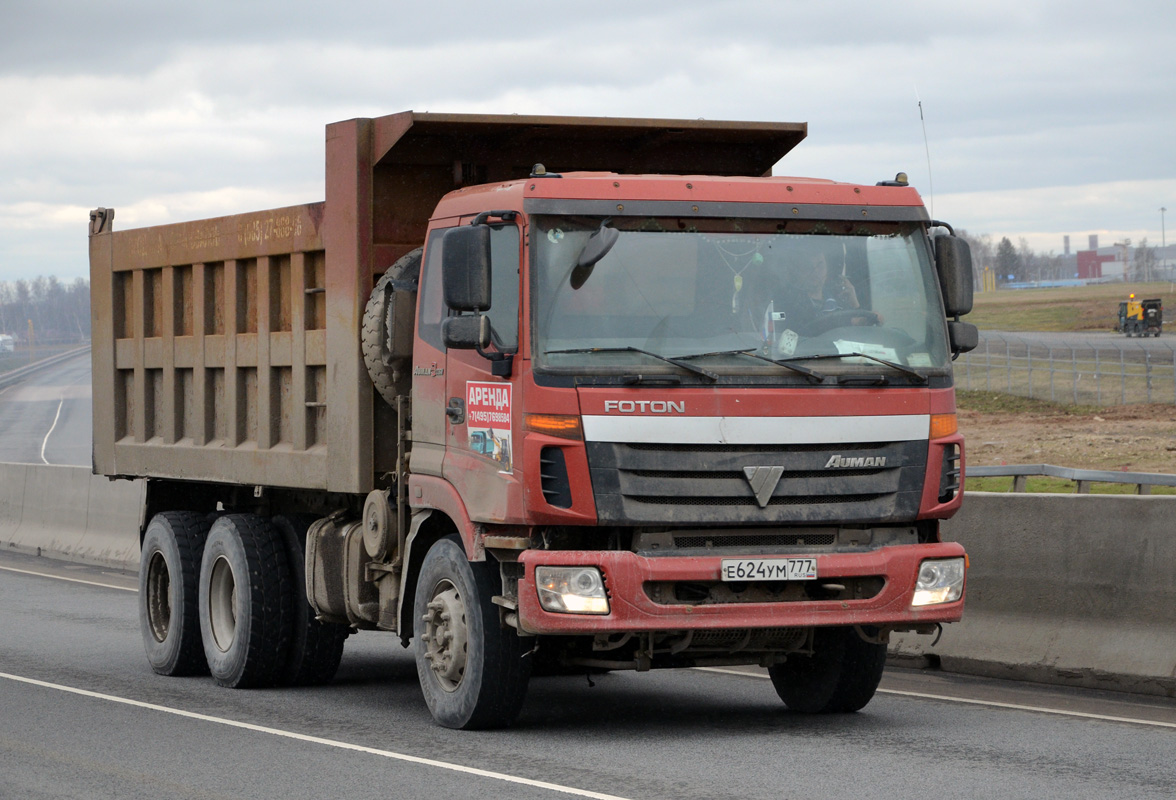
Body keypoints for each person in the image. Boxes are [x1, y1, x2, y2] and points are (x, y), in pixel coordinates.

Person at [775, 250, 878, 340]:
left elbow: (861, 334)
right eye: (808, 267)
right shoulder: (789, 303)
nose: (815, 272)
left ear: (827, 268)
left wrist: (855, 304)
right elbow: (804, 331)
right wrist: (850, 322)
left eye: (820, 265)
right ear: (797, 272)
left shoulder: (839, 299)